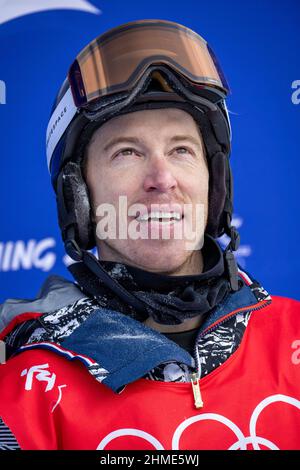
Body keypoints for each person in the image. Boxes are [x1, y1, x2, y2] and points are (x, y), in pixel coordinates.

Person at [0, 19, 299, 451]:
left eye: (182, 149)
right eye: (127, 152)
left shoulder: (293, 338)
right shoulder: (26, 393)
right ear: (79, 197)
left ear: (214, 185)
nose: (162, 178)